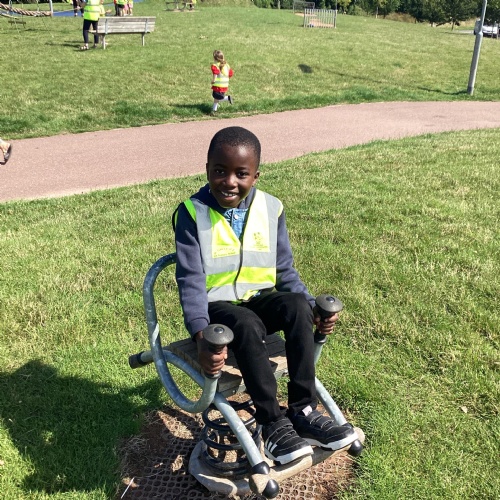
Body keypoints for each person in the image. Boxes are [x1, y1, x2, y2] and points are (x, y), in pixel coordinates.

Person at [173, 126, 357, 466]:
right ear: (207, 169)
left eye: (241, 174)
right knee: (244, 322)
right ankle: (272, 423)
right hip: (219, 310)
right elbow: (191, 279)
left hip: (258, 301)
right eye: (220, 171)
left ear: (255, 175)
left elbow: (285, 270)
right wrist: (200, 335)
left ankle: (303, 410)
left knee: (297, 306)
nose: (229, 181)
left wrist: (313, 306)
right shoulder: (192, 212)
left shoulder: (271, 208)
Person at [210, 50, 234, 115]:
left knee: (216, 96)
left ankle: (227, 98)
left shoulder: (215, 65)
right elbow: (231, 74)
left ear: (215, 58)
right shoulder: (227, 65)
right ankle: (214, 110)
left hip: (218, 86)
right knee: (216, 97)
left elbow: (215, 73)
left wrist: (213, 80)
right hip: (225, 85)